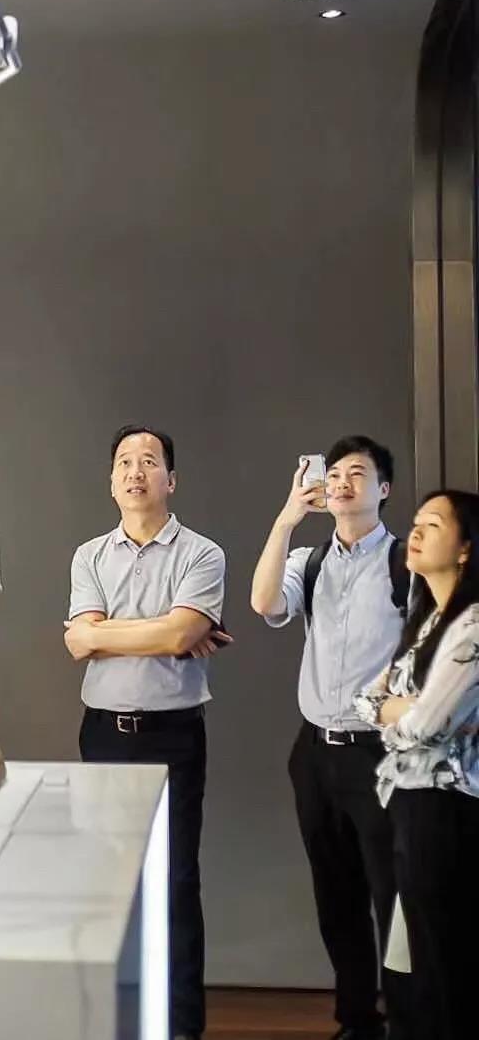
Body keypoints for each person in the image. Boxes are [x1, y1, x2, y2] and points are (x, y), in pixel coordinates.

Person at [65, 426, 228, 1040]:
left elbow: (176, 634)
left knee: (176, 882)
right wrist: (163, 631)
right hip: (103, 733)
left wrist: (109, 633)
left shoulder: (202, 553)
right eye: (125, 463)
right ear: (112, 481)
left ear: (171, 479)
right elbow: (79, 642)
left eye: (149, 462)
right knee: (106, 885)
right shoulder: (89, 555)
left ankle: (182, 1027)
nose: (136, 472)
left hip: (173, 736)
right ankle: (111, 1019)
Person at [250, 436, 410, 1040]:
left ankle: (409, 1019)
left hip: (381, 753)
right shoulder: (309, 561)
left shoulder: (404, 561)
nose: (342, 482)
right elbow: (264, 601)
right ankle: (357, 1020)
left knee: (393, 895)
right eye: (336, 473)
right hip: (316, 751)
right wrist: (287, 519)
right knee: (336, 896)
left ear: (383, 489)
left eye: (358, 474)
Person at [355, 489, 479, 1040]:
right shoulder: (429, 622)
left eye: (434, 524)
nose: (417, 533)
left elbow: (428, 725)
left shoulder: (472, 625)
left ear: (466, 548)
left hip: (448, 810)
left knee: (446, 960)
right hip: (410, 802)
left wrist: (400, 711)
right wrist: (405, 709)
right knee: (416, 960)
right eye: (416, 523)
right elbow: (364, 702)